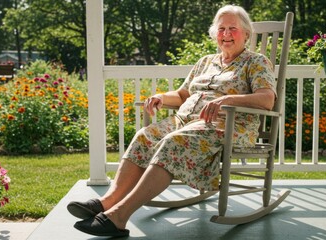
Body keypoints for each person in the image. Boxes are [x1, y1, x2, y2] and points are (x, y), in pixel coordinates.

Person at [67, 5, 276, 237]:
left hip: (226, 125)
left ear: (246, 33)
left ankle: (118, 217)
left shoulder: (255, 61)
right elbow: (182, 95)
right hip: (185, 120)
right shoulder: (205, 61)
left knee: (173, 142)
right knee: (145, 136)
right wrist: (160, 97)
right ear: (214, 33)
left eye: (233, 29)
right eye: (221, 29)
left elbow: (267, 99)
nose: (226, 34)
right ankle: (107, 202)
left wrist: (227, 98)